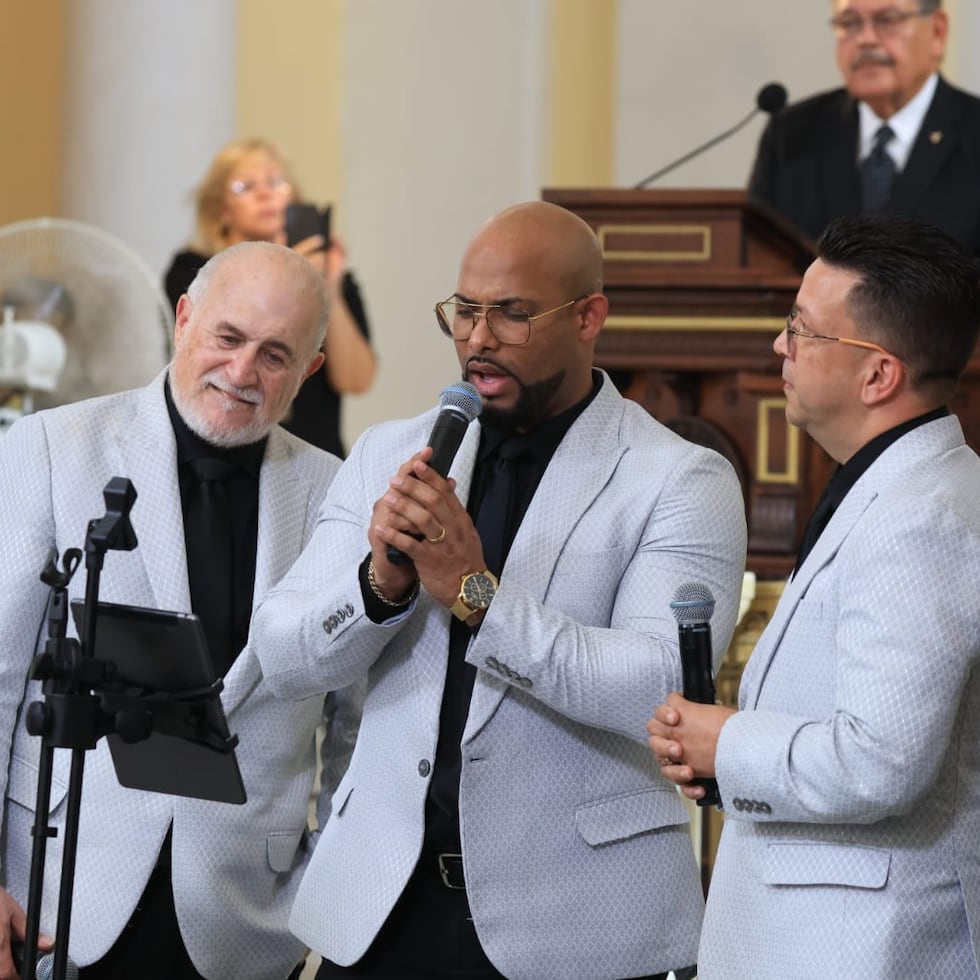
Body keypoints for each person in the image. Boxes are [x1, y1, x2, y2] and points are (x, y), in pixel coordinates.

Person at [249, 201, 748, 980]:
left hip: (578, 926)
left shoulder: (678, 478)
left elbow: (660, 690)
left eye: (512, 315)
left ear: (589, 317)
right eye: (466, 312)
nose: (478, 339)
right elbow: (282, 653)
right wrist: (379, 587)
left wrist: (476, 594)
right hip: (383, 909)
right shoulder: (391, 451)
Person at [0, 242, 356, 979]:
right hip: (61, 899)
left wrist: (322, 885)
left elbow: (355, 717)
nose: (241, 373)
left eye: (274, 355)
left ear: (309, 370)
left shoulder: (342, 494)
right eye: (228, 338)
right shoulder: (48, 449)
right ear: (185, 319)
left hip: (252, 921)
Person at [647, 214, 980, 978]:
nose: (778, 347)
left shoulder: (917, 519)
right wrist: (726, 758)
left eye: (802, 329)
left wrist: (725, 743)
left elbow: (881, 760)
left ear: (878, 374)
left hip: (859, 946)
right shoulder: (899, 485)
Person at [165, 137, 377, 457]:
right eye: (244, 187)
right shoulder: (195, 269)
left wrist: (323, 285)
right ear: (222, 211)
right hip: (217, 444)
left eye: (275, 182)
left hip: (308, 452)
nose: (264, 193)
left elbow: (357, 379)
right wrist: (281, 274)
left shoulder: (331, 277)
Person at [748, 0, 980, 255]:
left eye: (887, 20)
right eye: (849, 23)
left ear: (937, 31)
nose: (865, 39)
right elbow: (756, 258)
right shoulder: (790, 134)